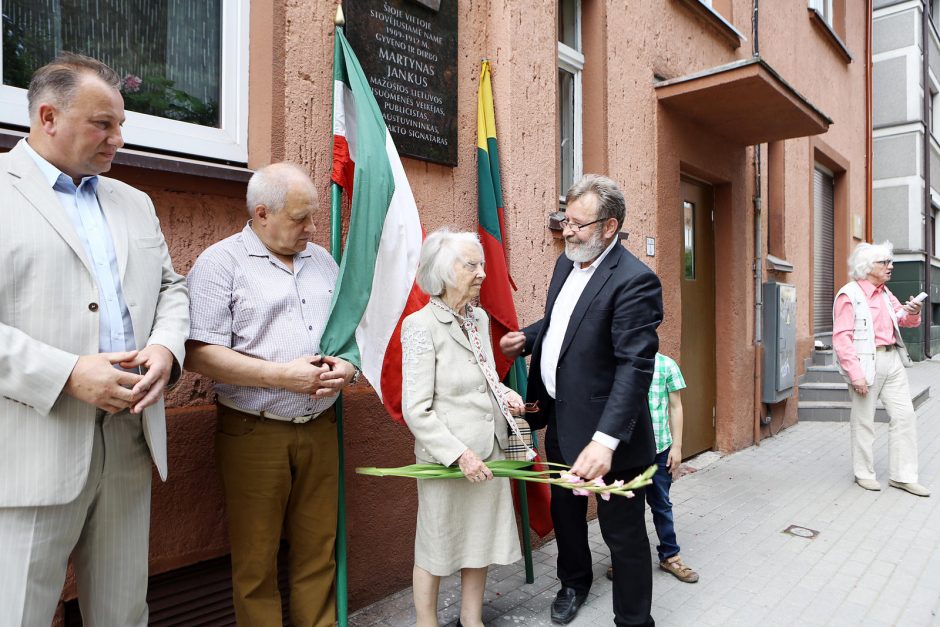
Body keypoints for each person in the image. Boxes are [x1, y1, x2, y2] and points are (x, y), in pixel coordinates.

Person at [0, 52, 189, 626]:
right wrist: (66, 373)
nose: (118, 139)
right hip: (33, 446)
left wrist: (165, 348)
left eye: (121, 125)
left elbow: (172, 291)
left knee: (123, 614)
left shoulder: (135, 202)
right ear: (48, 116)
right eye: (103, 124)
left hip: (131, 443)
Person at [185, 163, 358, 626]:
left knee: (318, 553)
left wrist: (348, 366)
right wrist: (283, 377)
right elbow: (200, 355)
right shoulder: (219, 264)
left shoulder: (322, 260)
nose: (313, 228)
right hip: (253, 432)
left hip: (321, 428)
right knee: (256, 562)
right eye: (301, 218)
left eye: (314, 216)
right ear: (262, 213)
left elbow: (348, 338)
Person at [501, 174, 662, 626]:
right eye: (563, 219)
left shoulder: (636, 281)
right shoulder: (565, 264)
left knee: (623, 536)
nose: (566, 231)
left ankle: (633, 620)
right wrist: (528, 339)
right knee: (567, 516)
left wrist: (606, 441)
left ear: (609, 227)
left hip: (611, 440)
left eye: (577, 223)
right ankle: (574, 583)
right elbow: (562, 324)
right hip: (561, 421)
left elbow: (635, 367)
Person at [400, 228, 525, 627]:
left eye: (482, 264)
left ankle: (472, 620)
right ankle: (427, 622)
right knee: (435, 545)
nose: (482, 273)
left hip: (489, 450)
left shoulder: (478, 317)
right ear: (443, 270)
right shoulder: (421, 325)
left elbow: (486, 375)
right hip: (450, 459)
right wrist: (460, 455)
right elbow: (416, 409)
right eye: (471, 264)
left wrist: (504, 393)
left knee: (479, 540)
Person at [832, 241, 928, 497]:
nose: (891, 266)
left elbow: (904, 320)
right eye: (885, 262)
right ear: (867, 267)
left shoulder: (885, 293)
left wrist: (914, 312)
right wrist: (855, 374)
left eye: (890, 261)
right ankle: (864, 473)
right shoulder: (849, 294)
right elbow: (842, 338)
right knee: (864, 421)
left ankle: (903, 476)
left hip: (892, 359)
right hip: (866, 362)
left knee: (905, 416)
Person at [607, 352, 699, 584]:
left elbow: (676, 406)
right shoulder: (618, 363)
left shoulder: (667, 365)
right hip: (627, 451)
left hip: (660, 448)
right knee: (627, 508)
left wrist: (676, 447)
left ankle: (670, 555)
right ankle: (624, 559)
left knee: (661, 503)